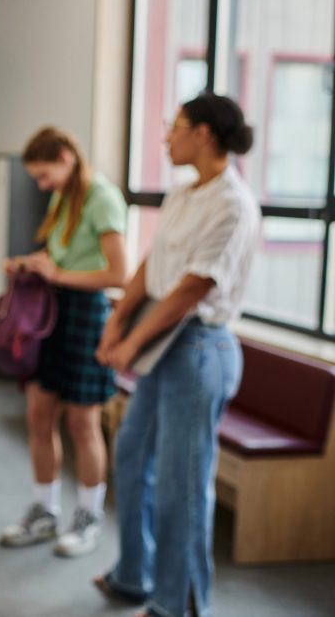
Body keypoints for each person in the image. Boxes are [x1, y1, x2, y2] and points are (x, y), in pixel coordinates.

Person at [93, 93, 258, 617]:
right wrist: (116, 321)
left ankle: (177, 604)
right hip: (160, 342)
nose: (166, 137)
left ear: (204, 135)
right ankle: (133, 576)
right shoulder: (183, 194)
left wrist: (129, 345)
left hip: (199, 348)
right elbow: (152, 263)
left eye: (175, 127)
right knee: (131, 454)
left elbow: (189, 291)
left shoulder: (233, 204)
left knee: (180, 486)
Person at [0, 127, 128, 557]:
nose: (41, 185)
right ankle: (44, 510)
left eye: (44, 175)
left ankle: (89, 516)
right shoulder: (64, 197)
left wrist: (57, 274)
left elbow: (118, 274)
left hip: (87, 315)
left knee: (83, 423)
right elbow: (63, 259)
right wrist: (32, 267)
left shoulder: (102, 198)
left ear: (67, 157)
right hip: (52, 312)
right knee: (39, 415)